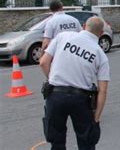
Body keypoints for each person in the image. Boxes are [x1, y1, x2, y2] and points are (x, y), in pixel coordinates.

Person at [39, 17, 110, 150]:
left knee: (56, 141)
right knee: (86, 141)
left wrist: (54, 80)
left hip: (56, 95)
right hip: (81, 100)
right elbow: (103, 90)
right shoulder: (100, 55)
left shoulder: (62, 37)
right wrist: (97, 117)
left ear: (84, 26)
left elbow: (43, 62)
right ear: (101, 33)